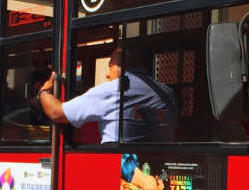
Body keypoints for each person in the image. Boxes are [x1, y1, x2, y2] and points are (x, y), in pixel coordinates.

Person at [37, 48, 176, 144]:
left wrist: (43, 92)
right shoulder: (167, 92)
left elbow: (56, 112)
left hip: (118, 167)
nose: (107, 74)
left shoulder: (114, 89)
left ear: (123, 65)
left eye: (110, 66)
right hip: (159, 164)